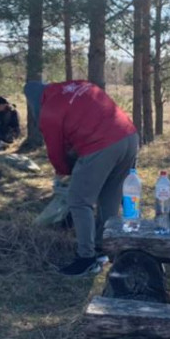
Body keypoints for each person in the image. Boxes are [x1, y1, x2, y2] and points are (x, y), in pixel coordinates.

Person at [31, 80, 139, 277]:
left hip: (101, 145)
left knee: (79, 201)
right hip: (129, 136)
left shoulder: (48, 110)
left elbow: (56, 151)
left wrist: (64, 170)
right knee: (110, 198)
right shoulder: (81, 85)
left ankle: (85, 258)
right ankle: (104, 248)